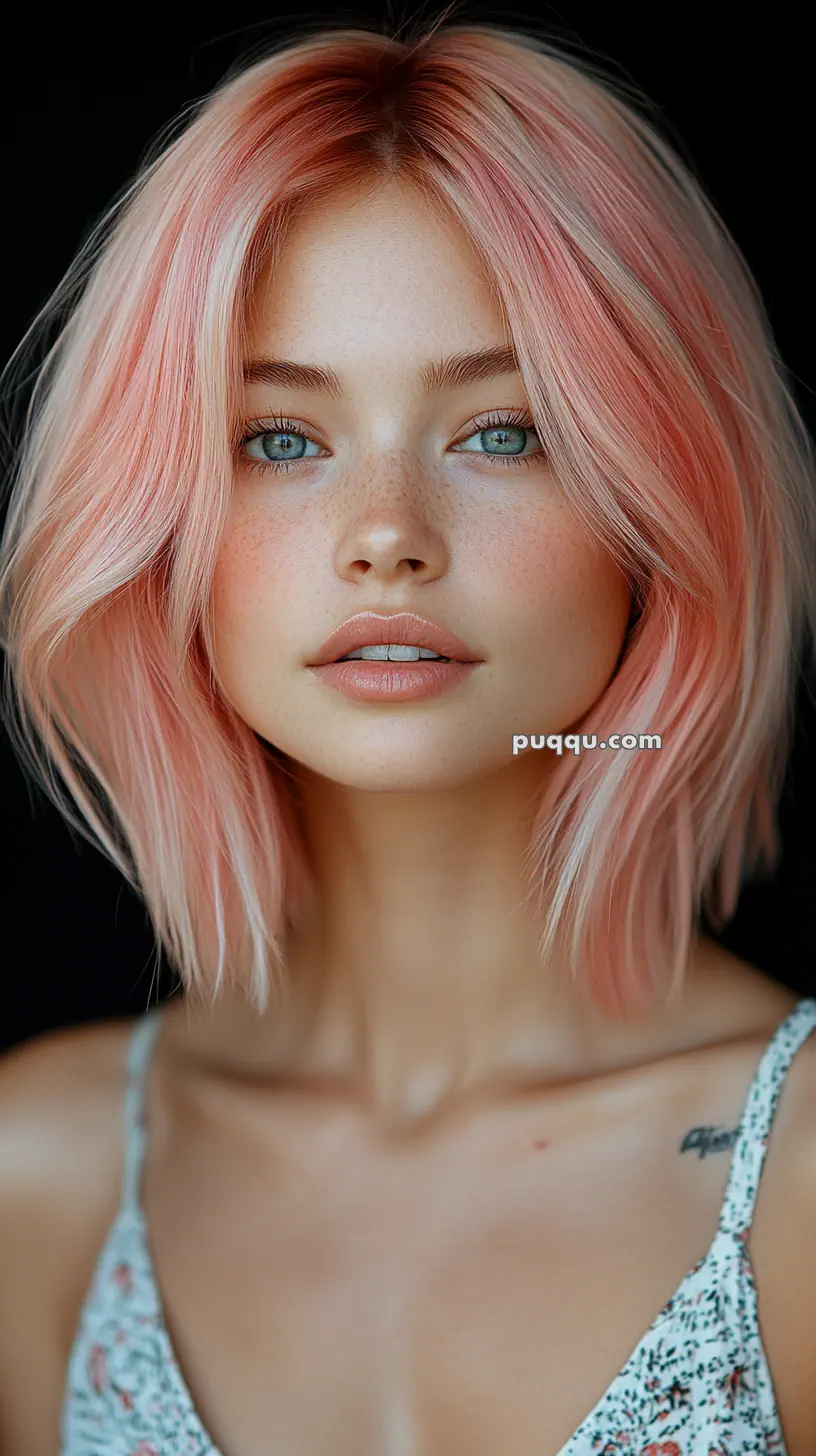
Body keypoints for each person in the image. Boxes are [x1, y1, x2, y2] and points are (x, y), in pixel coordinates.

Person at [0, 11, 815, 1455]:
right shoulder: (35, 1178)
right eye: (281, 440)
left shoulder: (800, 1183)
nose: (386, 538)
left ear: (658, 499)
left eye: (502, 431)